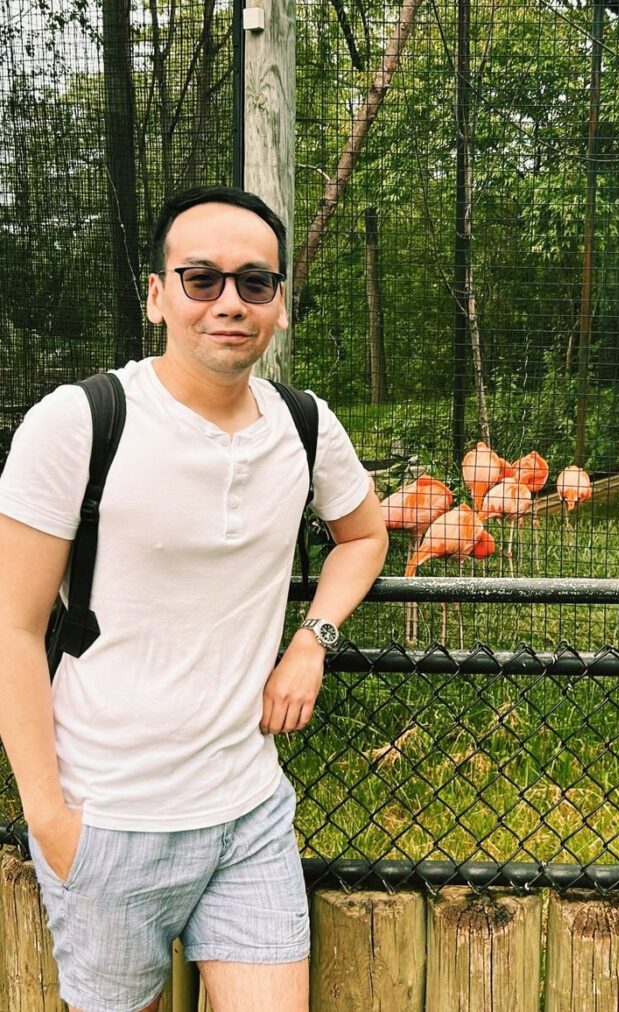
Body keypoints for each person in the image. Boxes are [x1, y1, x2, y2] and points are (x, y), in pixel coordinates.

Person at [0, 186, 389, 1012]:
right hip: (107, 817)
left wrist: (310, 638)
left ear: (280, 305)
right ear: (157, 295)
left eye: (255, 283)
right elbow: (12, 625)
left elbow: (364, 535)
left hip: (247, 811)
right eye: (200, 278)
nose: (229, 302)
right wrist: (50, 820)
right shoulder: (79, 423)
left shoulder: (305, 426)